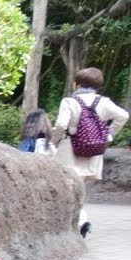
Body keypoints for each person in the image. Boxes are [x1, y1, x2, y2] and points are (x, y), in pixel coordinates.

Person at [50, 67, 129, 237]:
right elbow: (123, 115)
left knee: (68, 188)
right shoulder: (104, 102)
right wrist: (108, 135)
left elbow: (61, 125)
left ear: (77, 84)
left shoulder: (69, 102)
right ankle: (79, 222)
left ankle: (80, 222)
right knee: (79, 188)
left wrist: (53, 141)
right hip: (92, 151)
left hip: (70, 150)